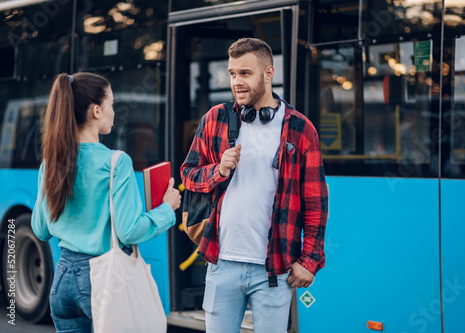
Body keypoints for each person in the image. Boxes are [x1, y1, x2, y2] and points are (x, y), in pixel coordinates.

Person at [181, 38, 328, 332]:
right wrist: (218, 170)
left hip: (274, 269)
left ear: (268, 73)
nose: (236, 82)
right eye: (232, 73)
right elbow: (188, 175)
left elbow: (315, 203)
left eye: (245, 73)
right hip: (221, 262)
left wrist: (309, 260)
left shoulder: (300, 129)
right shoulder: (215, 119)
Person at [31, 72, 181, 333]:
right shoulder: (116, 162)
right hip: (102, 279)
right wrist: (167, 210)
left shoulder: (50, 164)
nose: (114, 111)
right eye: (112, 105)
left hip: (62, 280)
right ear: (96, 110)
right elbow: (129, 230)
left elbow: (41, 230)